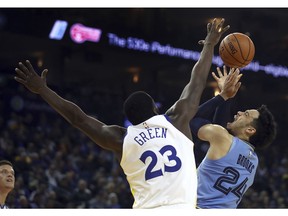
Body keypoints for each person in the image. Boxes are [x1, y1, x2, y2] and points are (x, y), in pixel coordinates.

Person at [14, 18, 229, 209]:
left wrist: (43, 90)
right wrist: (210, 44)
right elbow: (197, 81)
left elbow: (77, 118)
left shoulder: (121, 138)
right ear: (155, 108)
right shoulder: (176, 122)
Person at [190, 66, 277, 208]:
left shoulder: (223, 139)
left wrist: (222, 96)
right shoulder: (254, 162)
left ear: (250, 130)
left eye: (246, 114)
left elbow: (191, 118)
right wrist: (228, 98)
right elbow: (220, 129)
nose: (239, 112)